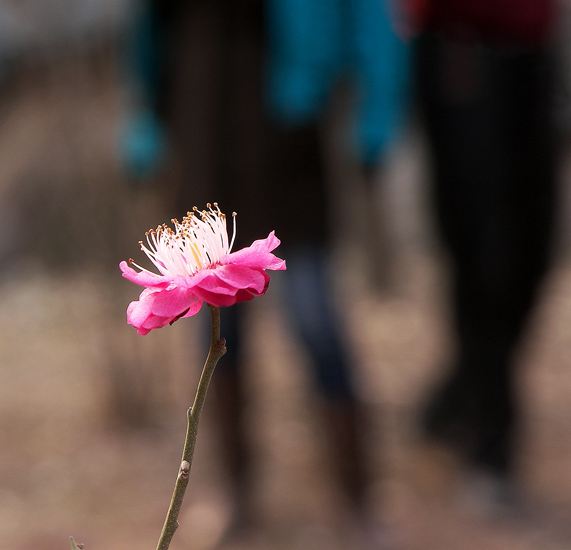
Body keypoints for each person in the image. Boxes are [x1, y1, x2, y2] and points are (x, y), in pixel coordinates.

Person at [118, 0, 408, 539]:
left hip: (286, 132)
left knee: (315, 317)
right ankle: (236, 490)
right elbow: (150, 27)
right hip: (201, 121)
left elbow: (367, 16)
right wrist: (143, 110)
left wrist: (378, 101)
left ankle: (356, 494)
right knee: (218, 329)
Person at [411, 0, 560, 505]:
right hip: (464, 60)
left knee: (533, 256)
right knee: (485, 262)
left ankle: (455, 397)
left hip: (534, 58)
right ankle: (490, 448)